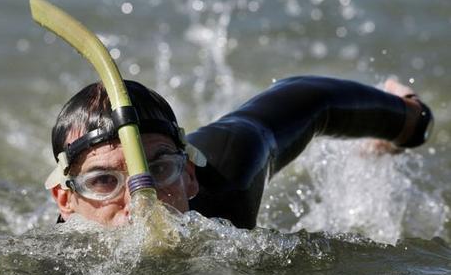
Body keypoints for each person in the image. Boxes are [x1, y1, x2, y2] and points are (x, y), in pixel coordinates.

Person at [45, 76, 433, 229]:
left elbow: (316, 102)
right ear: (66, 199)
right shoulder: (51, 266)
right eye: (104, 181)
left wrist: (411, 121)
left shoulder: (228, 178)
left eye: (159, 169)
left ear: (189, 174)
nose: (140, 202)